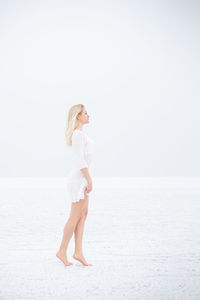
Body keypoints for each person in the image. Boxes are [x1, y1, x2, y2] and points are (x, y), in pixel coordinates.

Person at [56, 104, 94, 266]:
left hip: (82, 179)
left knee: (83, 215)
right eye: (85, 113)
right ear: (78, 116)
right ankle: (62, 250)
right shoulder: (77, 135)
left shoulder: (82, 135)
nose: (89, 115)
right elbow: (80, 161)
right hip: (78, 179)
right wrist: (89, 179)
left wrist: (87, 179)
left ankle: (78, 252)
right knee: (75, 216)